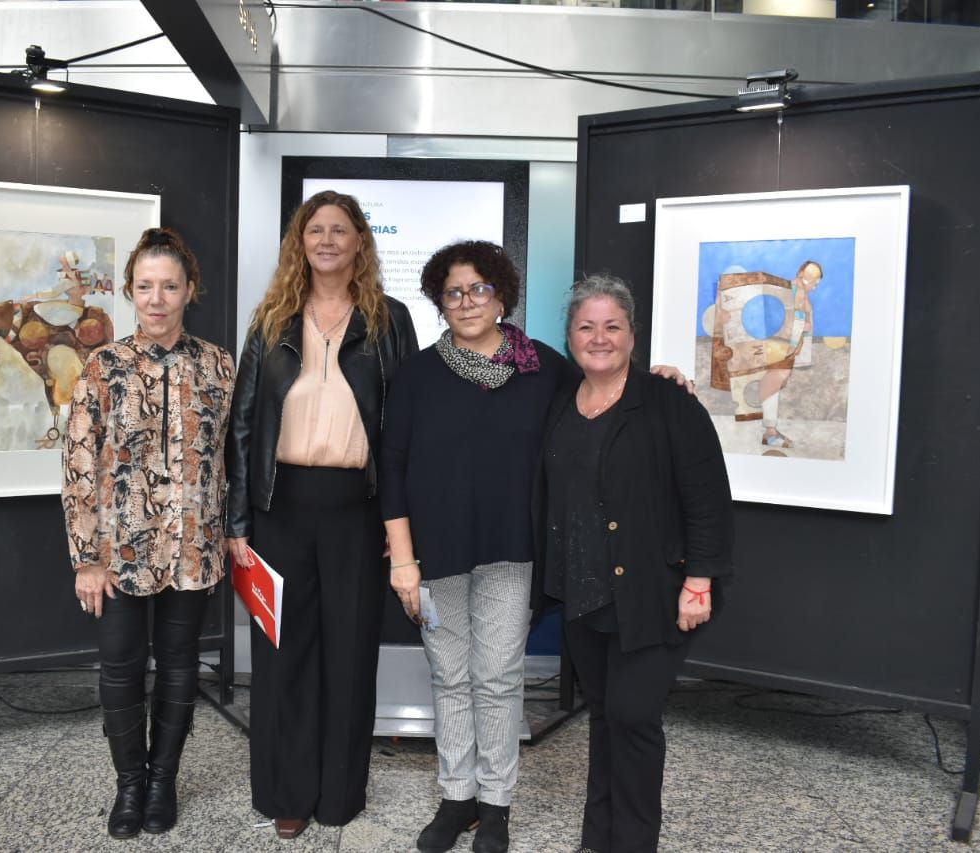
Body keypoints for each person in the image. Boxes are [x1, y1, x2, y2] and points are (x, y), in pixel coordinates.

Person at [225, 190, 418, 839]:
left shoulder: (388, 322)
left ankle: (340, 793)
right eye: (317, 230)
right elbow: (243, 425)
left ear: (360, 241)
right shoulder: (272, 319)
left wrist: (402, 524)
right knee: (283, 658)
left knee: (350, 654)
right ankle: (288, 792)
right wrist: (236, 523)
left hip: (356, 515)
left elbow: (405, 432)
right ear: (299, 243)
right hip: (279, 512)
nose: (328, 240)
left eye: (341, 229)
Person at [381, 241, 573, 853]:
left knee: (497, 679)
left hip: (510, 555)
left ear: (502, 295)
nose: (466, 301)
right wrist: (403, 560)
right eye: (453, 291)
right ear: (440, 300)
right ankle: (456, 795)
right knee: (450, 678)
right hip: (433, 560)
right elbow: (392, 467)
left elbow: (604, 396)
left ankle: (495, 805)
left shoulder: (543, 369)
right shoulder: (417, 372)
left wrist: (662, 375)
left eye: (479, 289)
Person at [533, 274, 733, 853]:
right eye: (586, 326)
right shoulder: (560, 401)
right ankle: (600, 838)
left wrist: (699, 582)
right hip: (581, 593)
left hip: (651, 593)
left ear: (632, 334)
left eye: (612, 326)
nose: (599, 337)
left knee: (634, 718)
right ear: (569, 335)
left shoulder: (669, 402)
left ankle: (634, 842)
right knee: (603, 716)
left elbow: (707, 499)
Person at [62, 227, 236, 839]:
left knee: (182, 663)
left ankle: (164, 781)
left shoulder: (218, 364)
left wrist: (230, 533)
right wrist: (87, 558)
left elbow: (229, 459)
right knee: (120, 666)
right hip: (119, 553)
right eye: (144, 287)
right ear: (131, 293)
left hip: (194, 548)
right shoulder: (102, 365)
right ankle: (129, 786)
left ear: (190, 290)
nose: (156, 298)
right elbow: (79, 464)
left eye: (169, 286)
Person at [755, 259, 823, 448]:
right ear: (802, 272)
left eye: (817, 282)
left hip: (791, 345)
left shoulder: (802, 294)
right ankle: (769, 432)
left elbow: (802, 322)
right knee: (776, 378)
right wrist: (804, 325)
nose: (814, 285)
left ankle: (771, 429)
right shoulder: (788, 290)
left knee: (780, 379)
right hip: (780, 344)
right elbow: (781, 318)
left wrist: (802, 333)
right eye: (813, 280)